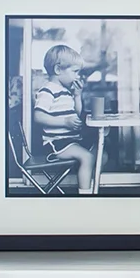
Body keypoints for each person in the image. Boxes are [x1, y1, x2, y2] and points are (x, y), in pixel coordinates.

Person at [30, 43, 97, 194]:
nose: (77, 76)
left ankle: (90, 184)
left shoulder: (65, 91)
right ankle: (86, 196)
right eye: (75, 71)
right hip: (57, 143)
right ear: (58, 70)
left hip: (71, 140)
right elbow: (38, 116)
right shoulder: (47, 91)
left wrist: (78, 96)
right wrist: (64, 122)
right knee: (87, 157)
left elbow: (77, 113)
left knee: (101, 154)